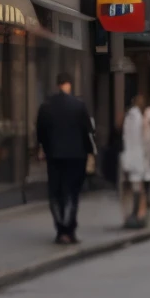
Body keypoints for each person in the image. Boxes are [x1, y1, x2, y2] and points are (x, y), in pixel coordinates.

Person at [35, 72, 94, 245]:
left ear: (57, 84)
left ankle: (60, 228)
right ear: (69, 84)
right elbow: (87, 131)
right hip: (76, 156)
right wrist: (89, 152)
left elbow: (40, 132)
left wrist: (44, 149)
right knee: (71, 193)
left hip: (54, 155)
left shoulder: (46, 106)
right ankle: (69, 228)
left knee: (55, 192)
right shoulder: (79, 105)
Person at [120, 96, 150, 228]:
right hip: (139, 157)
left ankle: (130, 215)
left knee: (129, 188)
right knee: (139, 187)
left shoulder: (128, 117)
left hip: (128, 156)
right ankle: (138, 215)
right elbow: (146, 139)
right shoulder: (141, 118)